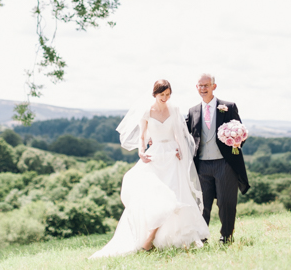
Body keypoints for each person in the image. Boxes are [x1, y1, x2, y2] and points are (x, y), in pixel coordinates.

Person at [89, 80, 209, 258]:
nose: (166, 98)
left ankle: (177, 237)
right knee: (157, 197)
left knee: (177, 195)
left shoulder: (174, 109)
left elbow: (178, 132)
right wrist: (141, 151)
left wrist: (179, 148)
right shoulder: (146, 111)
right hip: (155, 157)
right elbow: (142, 135)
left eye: (168, 95)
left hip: (172, 157)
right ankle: (148, 239)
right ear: (155, 94)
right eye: (162, 95)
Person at [186, 73, 250, 244]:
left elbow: (240, 132)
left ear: (214, 86)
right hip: (201, 165)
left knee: (226, 202)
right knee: (202, 204)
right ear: (196, 87)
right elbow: (185, 135)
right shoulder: (192, 111)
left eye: (206, 85)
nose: (203, 88)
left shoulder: (228, 107)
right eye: (200, 85)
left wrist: (236, 143)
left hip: (224, 163)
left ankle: (226, 236)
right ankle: (201, 238)